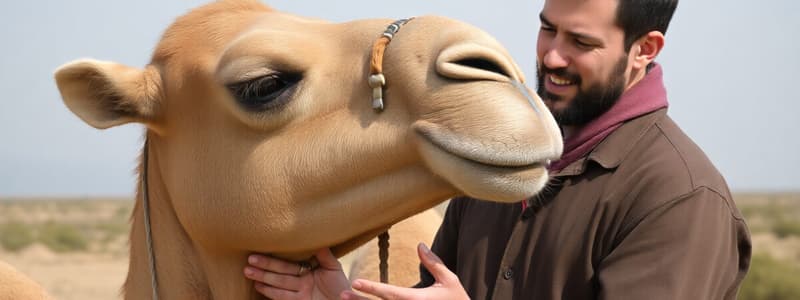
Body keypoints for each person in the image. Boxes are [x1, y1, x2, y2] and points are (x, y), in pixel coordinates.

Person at [243, 0, 752, 298]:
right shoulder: (502, 155)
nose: (552, 55)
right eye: (547, 28)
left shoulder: (683, 199)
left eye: (581, 43)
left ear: (645, 50)